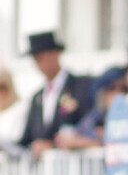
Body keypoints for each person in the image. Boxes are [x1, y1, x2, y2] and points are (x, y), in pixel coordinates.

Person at [18, 31, 93, 159]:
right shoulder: (37, 98)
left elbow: (87, 127)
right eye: (36, 59)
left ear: (56, 53)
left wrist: (52, 145)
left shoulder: (80, 86)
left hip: (73, 166)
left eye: (42, 57)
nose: (39, 64)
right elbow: (27, 139)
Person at [54, 66, 128, 150]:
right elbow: (71, 138)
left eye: (124, 89)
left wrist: (83, 142)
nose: (118, 93)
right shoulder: (94, 118)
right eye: (112, 88)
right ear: (103, 92)